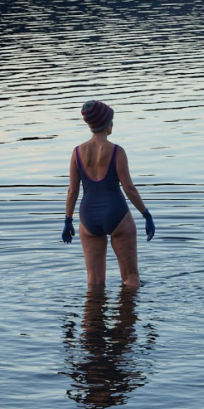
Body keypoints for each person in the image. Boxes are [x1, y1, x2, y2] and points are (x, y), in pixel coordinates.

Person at [63, 99, 154, 288]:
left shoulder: (77, 152)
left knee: (94, 281)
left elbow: (73, 191)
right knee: (131, 278)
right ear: (107, 123)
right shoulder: (116, 151)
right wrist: (146, 215)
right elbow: (129, 188)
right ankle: (128, 314)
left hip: (88, 217)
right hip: (117, 214)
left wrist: (67, 221)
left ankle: (93, 317)